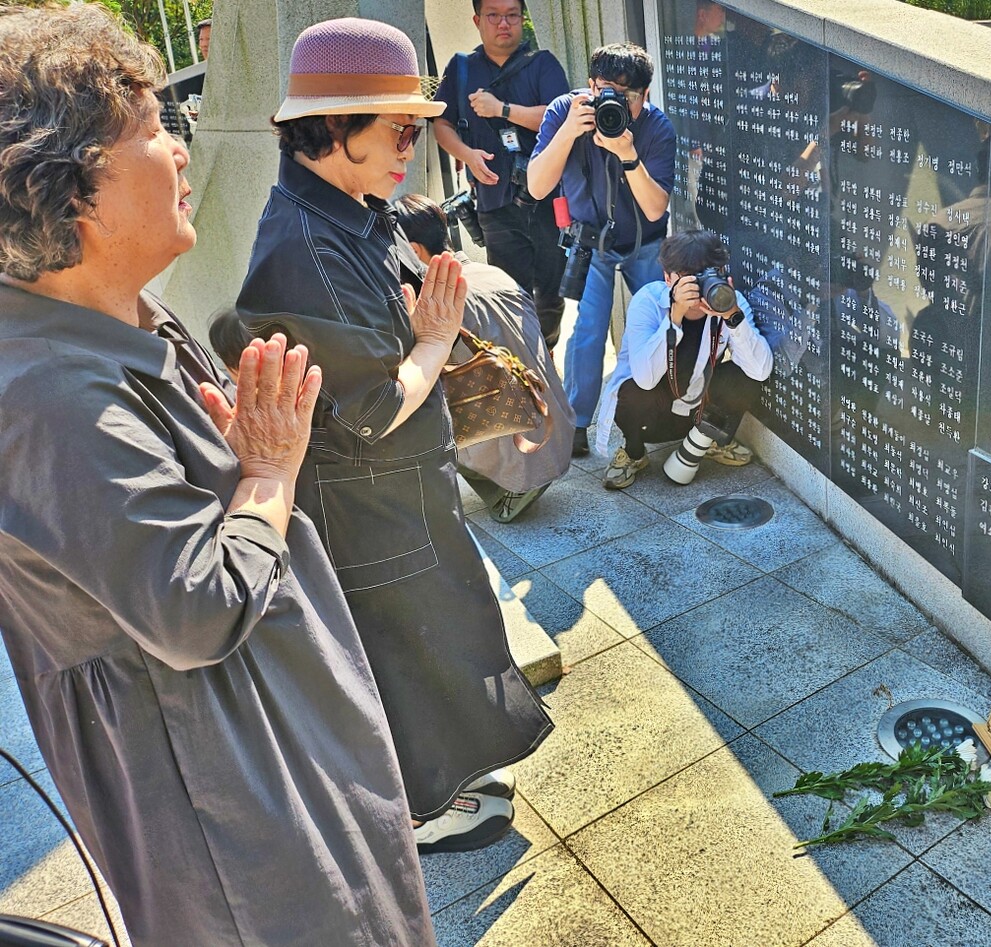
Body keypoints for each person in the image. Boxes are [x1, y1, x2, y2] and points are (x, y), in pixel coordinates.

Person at [0, 6, 434, 945]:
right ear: (68, 183)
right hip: (232, 803)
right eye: (155, 130)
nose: (184, 148)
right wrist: (271, 470)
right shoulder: (44, 399)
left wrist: (236, 467)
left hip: (267, 741)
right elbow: (196, 605)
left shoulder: (112, 319)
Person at [236, 17, 553, 853]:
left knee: (445, 631)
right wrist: (437, 341)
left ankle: (446, 786)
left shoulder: (345, 208)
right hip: (370, 504)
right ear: (335, 127)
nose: (415, 143)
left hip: (400, 493)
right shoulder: (304, 244)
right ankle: (427, 807)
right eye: (400, 127)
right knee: (412, 653)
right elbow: (373, 406)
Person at [527, 42, 676, 458]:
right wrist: (569, 131)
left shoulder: (657, 128)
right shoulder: (564, 111)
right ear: (591, 85)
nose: (614, 101)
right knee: (589, 329)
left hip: (645, 243)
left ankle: (666, 409)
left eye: (627, 95)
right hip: (589, 241)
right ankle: (576, 422)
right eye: (605, 89)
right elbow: (538, 186)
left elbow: (654, 206)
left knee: (661, 323)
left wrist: (628, 155)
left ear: (645, 95)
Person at [393, 193, 573, 522]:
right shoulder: (492, 273)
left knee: (411, 399)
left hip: (525, 451)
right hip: (559, 432)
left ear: (414, 251)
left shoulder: (437, 304)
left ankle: (511, 489)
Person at [433, 0, 571, 347]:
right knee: (508, 292)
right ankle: (523, 365)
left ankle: (547, 350)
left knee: (551, 294)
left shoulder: (542, 64)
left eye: (512, 15)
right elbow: (442, 124)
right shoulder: (462, 68)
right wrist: (465, 153)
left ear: (522, 19)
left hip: (548, 200)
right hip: (493, 199)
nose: (504, 23)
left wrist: (502, 110)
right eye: (494, 15)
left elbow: (562, 117)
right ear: (478, 20)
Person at [595, 230, 772, 490]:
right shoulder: (648, 301)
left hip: (699, 405)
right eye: (689, 276)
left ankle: (705, 439)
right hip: (651, 414)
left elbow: (760, 371)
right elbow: (644, 379)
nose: (699, 285)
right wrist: (674, 316)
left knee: (741, 379)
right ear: (668, 278)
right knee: (630, 391)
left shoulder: (730, 301)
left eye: (707, 274)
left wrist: (733, 318)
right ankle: (634, 454)